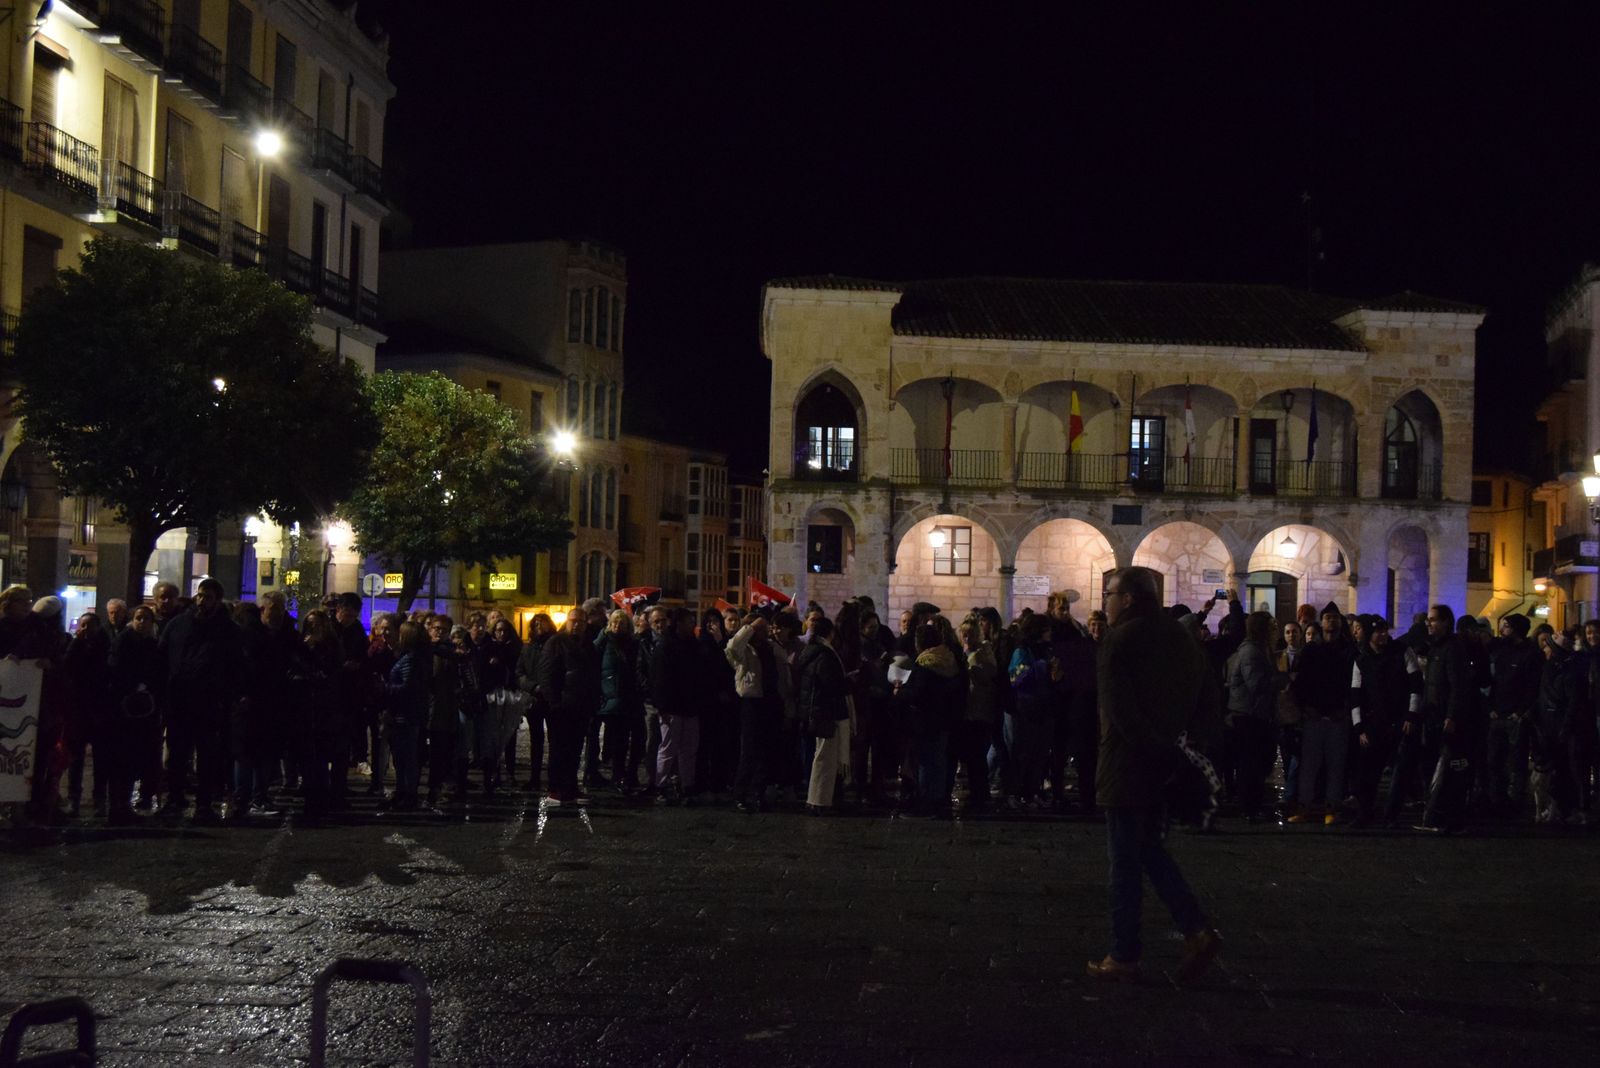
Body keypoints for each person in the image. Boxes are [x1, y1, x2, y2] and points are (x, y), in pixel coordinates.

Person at [1087, 566, 1222, 985]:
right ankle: (1196, 929)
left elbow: (1119, 711)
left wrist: (1153, 749)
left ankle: (1124, 953)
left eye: (1109, 594)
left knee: (1124, 862)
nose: (1104, 602)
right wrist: (1181, 749)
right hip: (1168, 762)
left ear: (1127, 599)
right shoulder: (1181, 637)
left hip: (1127, 765)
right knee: (1149, 851)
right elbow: (1209, 698)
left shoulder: (1119, 640)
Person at [158, 577, 244, 823]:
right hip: (180, 700)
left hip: (210, 702)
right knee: (178, 753)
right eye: (200, 595)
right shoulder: (179, 624)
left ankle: (204, 803)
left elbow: (236, 666)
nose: (202, 600)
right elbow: (164, 657)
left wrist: (230, 695)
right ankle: (174, 799)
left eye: (208, 596)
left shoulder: (228, 629)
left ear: (217, 599)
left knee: (208, 755)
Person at [1288, 604, 1356, 824]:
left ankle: (1331, 807)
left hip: (1338, 715)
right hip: (1314, 715)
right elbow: (1301, 682)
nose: (1331, 622)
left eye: (1335, 618)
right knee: (1309, 764)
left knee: (1336, 765)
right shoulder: (1311, 650)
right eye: (1328, 618)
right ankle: (1305, 805)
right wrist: (1305, 706)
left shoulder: (1349, 650)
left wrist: (1345, 707)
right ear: (1322, 621)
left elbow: (1353, 683)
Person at [1349, 617, 1421, 826]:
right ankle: (1366, 812)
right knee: (1368, 772)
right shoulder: (1362, 659)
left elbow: (1416, 685)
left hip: (1399, 721)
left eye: (1384, 631)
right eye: (1378, 632)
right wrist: (1359, 727)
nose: (1383, 635)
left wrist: (1411, 715)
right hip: (1374, 723)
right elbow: (1356, 694)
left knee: (1400, 773)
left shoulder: (1402, 651)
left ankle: (1391, 815)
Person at [1416, 604, 1476, 833]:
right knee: (1432, 766)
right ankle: (1435, 815)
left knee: (1449, 770)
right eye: (1428, 620)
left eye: (1432, 620)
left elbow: (1457, 687)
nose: (1428, 624)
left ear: (1445, 622)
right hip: (1432, 716)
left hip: (1445, 719)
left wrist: (1451, 716)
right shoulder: (1435, 649)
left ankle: (1448, 818)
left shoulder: (1452, 649)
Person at [897, 621, 963, 817]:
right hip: (944, 719)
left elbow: (919, 693)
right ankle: (938, 800)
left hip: (925, 721)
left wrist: (901, 692)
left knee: (926, 762)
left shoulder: (925, 663)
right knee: (939, 761)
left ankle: (926, 803)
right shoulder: (949, 659)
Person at [106, 604, 163, 824]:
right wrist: (132, 688)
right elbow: (115, 670)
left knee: (135, 758)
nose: (142, 622)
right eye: (138, 618)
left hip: (144, 711)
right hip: (125, 711)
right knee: (122, 759)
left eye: (146, 619)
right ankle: (118, 805)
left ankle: (125, 803)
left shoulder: (151, 644)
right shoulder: (123, 642)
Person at [537, 611, 601, 806]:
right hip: (561, 707)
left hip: (581, 706)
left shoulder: (587, 645)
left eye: (581, 622)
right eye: (573, 621)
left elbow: (592, 674)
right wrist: (553, 702)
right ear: (567, 622)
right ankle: (556, 789)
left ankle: (571, 787)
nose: (577, 625)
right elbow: (547, 674)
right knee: (558, 749)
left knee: (575, 749)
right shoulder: (556, 643)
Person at [727, 614, 789, 813]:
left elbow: (784, 661)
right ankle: (741, 793)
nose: (764, 632)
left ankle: (759, 793)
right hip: (752, 702)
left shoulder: (770, 648)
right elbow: (731, 647)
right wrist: (750, 628)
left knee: (765, 750)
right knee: (749, 751)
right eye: (759, 629)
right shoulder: (744, 651)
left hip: (770, 701)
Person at [1224, 611, 1278, 822]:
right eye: (1272, 627)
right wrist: (1279, 680)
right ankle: (1249, 806)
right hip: (1248, 715)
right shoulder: (1251, 652)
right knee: (1250, 764)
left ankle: (1253, 804)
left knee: (1257, 762)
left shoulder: (1261, 650)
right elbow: (1256, 684)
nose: (1275, 631)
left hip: (1257, 714)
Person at [1486, 613, 1540, 815]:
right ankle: (1497, 799)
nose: (1502, 630)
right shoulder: (1501, 651)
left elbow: (1532, 687)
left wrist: (1520, 712)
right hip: (1497, 713)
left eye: (1506, 626)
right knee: (1494, 760)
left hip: (1515, 717)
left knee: (1516, 761)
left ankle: (1515, 801)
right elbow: (1493, 681)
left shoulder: (1530, 655)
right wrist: (1491, 706)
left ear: (1516, 629)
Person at [798, 617, 850, 814]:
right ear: (830, 633)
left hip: (814, 711)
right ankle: (819, 801)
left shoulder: (810, 652)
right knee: (824, 759)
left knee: (819, 757)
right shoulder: (825, 655)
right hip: (825, 712)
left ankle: (817, 799)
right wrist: (847, 682)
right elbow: (830, 685)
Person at [650, 608, 701, 803]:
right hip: (672, 707)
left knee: (688, 749)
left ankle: (687, 785)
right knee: (668, 748)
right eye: (689, 622)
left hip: (689, 705)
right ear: (679, 623)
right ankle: (660, 785)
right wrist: (662, 706)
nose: (692, 625)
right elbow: (659, 679)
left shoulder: (691, 645)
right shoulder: (666, 647)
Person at [595, 609, 645, 794]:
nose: (617, 626)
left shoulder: (633, 643)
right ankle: (619, 775)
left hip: (630, 695)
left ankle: (629, 774)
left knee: (637, 738)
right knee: (619, 739)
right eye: (614, 622)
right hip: (613, 697)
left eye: (621, 623)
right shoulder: (605, 641)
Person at [379, 621, 428, 811]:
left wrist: (385, 687)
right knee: (402, 756)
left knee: (406, 756)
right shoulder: (411, 657)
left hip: (406, 714)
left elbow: (408, 688)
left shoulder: (410, 659)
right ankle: (403, 792)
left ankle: (408, 794)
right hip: (406, 713)